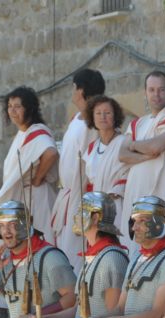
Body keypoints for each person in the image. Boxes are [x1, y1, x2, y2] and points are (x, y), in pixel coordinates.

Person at [119, 71, 165, 254]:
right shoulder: (136, 124)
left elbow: (157, 146)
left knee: (161, 247)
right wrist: (145, 154)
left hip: (164, 193)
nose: (156, 94)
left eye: (161, 90)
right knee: (134, 246)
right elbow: (122, 154)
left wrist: (134, 145)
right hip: (135, 195)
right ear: (145, 93)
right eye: (152, 90)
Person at [0, 86, 60, 252]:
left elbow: (51, 153)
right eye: (10, 106)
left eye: (18, 106)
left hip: (36, 196)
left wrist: (37, 178)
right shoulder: (21, 135)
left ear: (29, 108)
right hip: (25, 198)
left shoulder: (37, 131)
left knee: (40, 243)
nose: (12, 111)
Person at [51, 69, 106, 274]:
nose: (72, 92)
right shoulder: (77, 119)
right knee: (64, 251)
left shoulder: (94, 123)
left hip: (80, 195)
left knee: (76, 253)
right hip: (67, 193)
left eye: (74, 88)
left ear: (81, 90)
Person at [82, 96, 129, 241]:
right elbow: (88, 181)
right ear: (92, 117)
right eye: (98, 113)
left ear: (115, 116)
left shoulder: (124, 142)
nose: (102, 117)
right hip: (94, 208)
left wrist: (115, 192)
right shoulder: (91, 148)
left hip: (116, 204)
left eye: (107, 113)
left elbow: (129, 173)